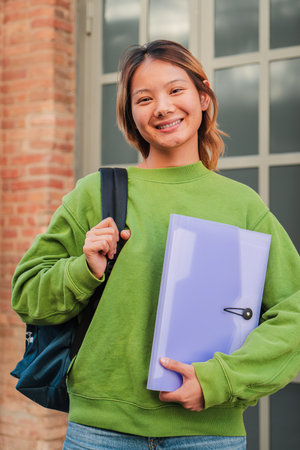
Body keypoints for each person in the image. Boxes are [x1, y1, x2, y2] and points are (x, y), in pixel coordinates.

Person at [12, 40, 300, 450]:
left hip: (207, 437)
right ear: (131, 115)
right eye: (144, 98)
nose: (162, 107)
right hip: (100, 433)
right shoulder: (96, 194)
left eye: (175, 90)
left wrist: (219, 380)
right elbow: (27, 295)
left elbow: (294, 310)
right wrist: (85, 269)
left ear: (203, 98)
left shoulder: (242, 205)